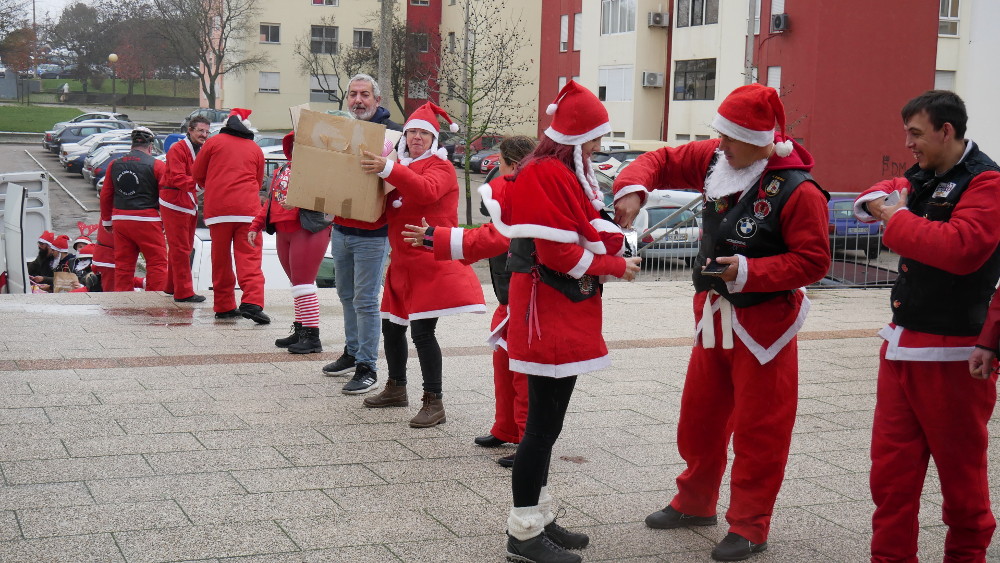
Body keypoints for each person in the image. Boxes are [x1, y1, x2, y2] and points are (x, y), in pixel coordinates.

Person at [613, 83, 830, 562]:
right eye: (720, 136)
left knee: (760, 427)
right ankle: (695, 502)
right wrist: (631, 188)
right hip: (714, 314)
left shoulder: (800, 190)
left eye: (729, 138)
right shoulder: (721, 157)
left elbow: (814, 261)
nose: (720, 145)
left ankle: (750, 524)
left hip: (766, 325)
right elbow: (662, 161)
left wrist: (751, 272)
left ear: (761, 141)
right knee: (700, 416)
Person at [478, 81, 640, 563]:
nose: (597, 148)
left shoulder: (561, 169)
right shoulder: (548, 172)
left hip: (555, 309)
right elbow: (557, 251)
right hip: (544, 311)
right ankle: (523, 535)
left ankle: (540, 517)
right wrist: (616, 266)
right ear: (574, 136)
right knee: (541, 429)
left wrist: (617, 243)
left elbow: (581, 231)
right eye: (593, 138)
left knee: (548, 426)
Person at [854, 90, 1000, 563]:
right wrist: (880, 199)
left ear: (947, 131)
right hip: (901, 346)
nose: (909, 144)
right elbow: (887, 187)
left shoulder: (987, 183)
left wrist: (895, 217)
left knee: (961, 481)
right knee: (891, 477)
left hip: (955, 353)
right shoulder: (927, 176)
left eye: (916, 134)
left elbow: (961, 249)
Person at [401, 135, 537, 468]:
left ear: (512, 164)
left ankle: (529, 442)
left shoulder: (531, 197)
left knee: (522, 374)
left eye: (501, 164)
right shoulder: (521, 191)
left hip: (529, 302)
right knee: (504, 368)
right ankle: (507, 428)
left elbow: (493, 237)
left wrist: (436, 236)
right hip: (511, 299)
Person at [357, 101, 486, 427]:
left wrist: (389, 170)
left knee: (423, 333)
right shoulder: (401, 166)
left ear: (433, 139)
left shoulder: (439, 168)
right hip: (401, 264)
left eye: (423, 133)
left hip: (431, 263)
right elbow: (384, 209)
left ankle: (434, 401)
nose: (416, 137)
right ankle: (396, 387)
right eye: (412, 131)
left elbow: (426, 193)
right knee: (391, 327)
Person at [321, 74, 403, 394]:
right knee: (345, 295)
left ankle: (368, 365)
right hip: (341, 227)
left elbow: (396, 180)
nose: (358, 100)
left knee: (366, 300)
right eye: (353, 94)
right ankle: (353, 352)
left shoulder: (393, 135)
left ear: (377, 100)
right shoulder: (339, 128)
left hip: (373, 231)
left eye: (365, 95)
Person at [248, 131, 332, 354]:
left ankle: (312, 336)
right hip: (283, 230)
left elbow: (326, 200)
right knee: (297, 285)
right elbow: (269, 204)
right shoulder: (281, 170)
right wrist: (255, 225)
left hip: (307, 229)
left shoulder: (319, 173)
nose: (297, 150)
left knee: (303, 284)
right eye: (294, 146)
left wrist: (296, 201)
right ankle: (301, 329)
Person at [192, 108, 269, 323]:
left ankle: (224, 306)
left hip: (218, 211)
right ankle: (252, 302)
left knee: (221, 260)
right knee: (250, 257)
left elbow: (197, 173)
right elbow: (258, 179)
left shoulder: (213, 143)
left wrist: (214, 186)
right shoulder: (255, 149)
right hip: (247, 211)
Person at [99, 127, 168, 293]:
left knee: (123, 265)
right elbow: (165, 196)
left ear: (132, 144)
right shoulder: (157, 165)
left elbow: (106, 195)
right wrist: (165, 221)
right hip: (148, 220)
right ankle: (154, 300)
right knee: (157, 264)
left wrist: (107, 221)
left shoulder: (114, 165)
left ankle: (124, 303)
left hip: (121, 220)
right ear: (150, 146)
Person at [162, 114, 211, 303]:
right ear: (190, 130)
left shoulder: (198, 149)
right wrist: (201, 186)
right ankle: (183, 292)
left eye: (207, 131)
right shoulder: (178, 149)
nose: (204, 135)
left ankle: (171, 286)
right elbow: (177, 177)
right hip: (174, 200)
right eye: (200, 130)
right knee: (182, 247)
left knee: (181, 246)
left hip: (186, 199)